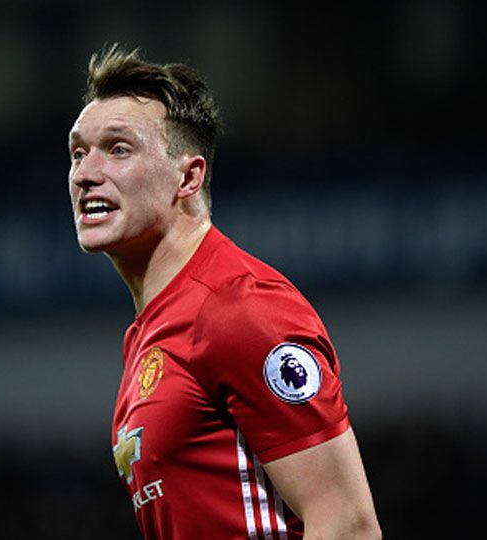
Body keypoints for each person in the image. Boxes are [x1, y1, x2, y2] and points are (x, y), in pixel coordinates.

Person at [67, 45, 381, 540]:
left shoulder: (238, 306)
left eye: (119, 149)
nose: (85, 173)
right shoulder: (149, 333)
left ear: (188, 177)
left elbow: (348, 525)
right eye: (79, 152)